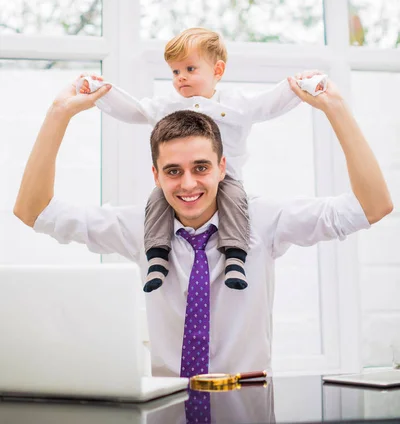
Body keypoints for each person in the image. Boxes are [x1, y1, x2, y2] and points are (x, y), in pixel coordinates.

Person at [14, 72, 392, 377]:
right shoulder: (136, 226)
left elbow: (372, 206)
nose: (189, 184)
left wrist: (336, 109)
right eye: (173, 171)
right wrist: (58, 113)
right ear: (156, 175)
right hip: (167, 407)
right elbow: (34, 211)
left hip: (248, 405)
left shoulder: (263, 219)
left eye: (201, 168)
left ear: (222, 167)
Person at [75, 27, 326, 293]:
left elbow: (269, 104)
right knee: (157, 200)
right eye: (175, 72)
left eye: (190, 69)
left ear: (217, 71)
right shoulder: (167, 106)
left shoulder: (236, 104)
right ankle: (158, 254)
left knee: (235, 201)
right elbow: (135, 109)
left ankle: (235, 257)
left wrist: (299, 86)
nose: (180, 78)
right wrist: (101, 93)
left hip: (225, 179)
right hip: (182, 182)